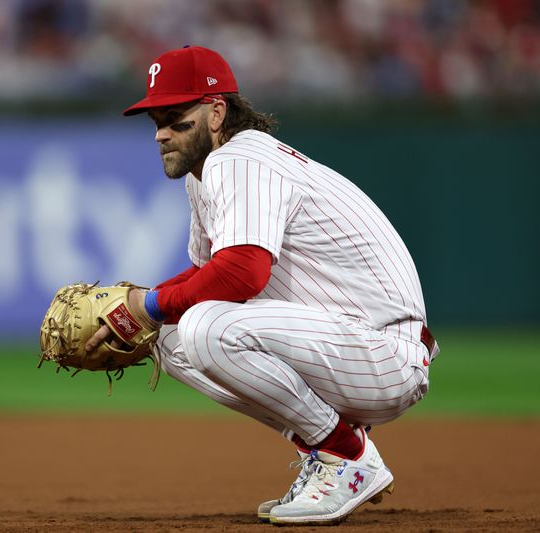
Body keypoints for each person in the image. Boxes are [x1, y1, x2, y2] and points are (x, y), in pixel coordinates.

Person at [87, 45, 438, 525]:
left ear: (216, 113)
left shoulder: (240, 159)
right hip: (345, 342)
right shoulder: (207, 173)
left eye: (175, 118)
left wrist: (146, 304)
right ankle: (327, 451)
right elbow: (210, 271)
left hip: (383, 352)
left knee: (204, 326)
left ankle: (347, 457)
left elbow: (242, 272)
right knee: (170, 335)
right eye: (155, 122)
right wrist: (138, 311)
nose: (162, 134)